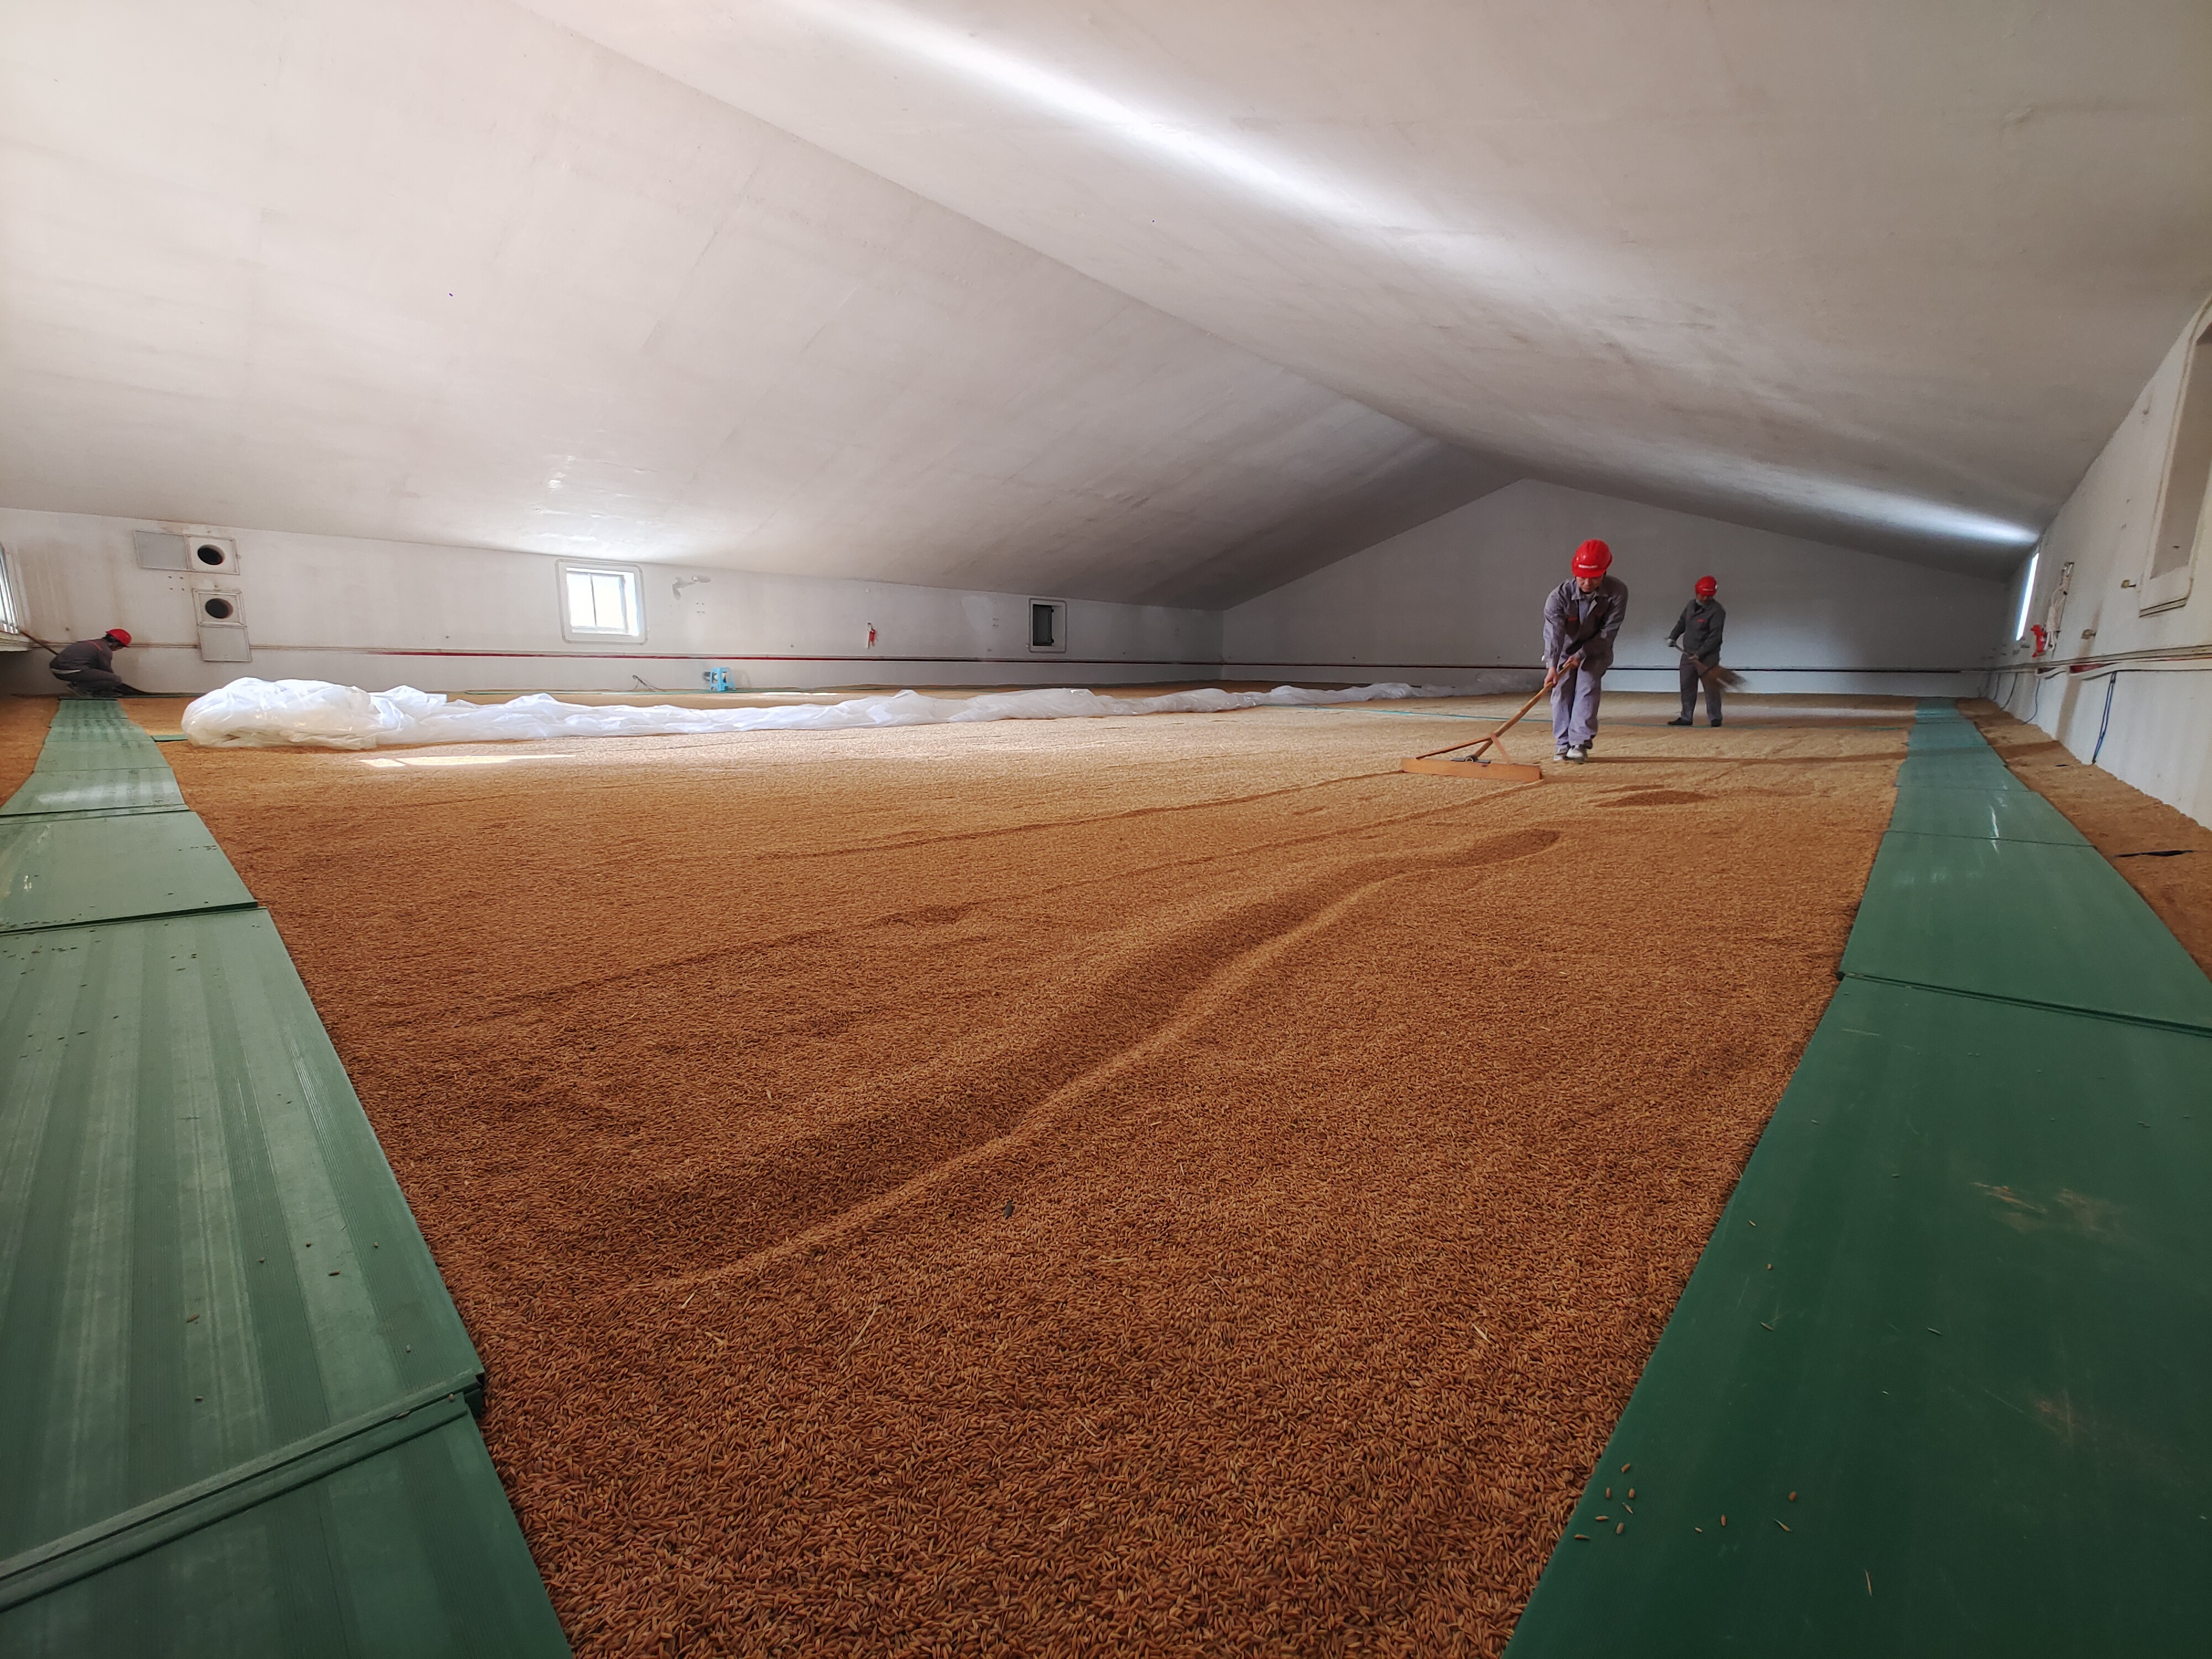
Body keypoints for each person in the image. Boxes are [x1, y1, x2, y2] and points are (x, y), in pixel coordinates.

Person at [1542, 540, 1626, 763]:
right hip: (1564, 650)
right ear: (1574, 572)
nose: (1587, 583)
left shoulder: (1618, 592)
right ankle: (1562, 744)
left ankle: (1579, 743)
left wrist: (1582, 654)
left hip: (1597, 649)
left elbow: (1609, 632)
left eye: (1594, 578)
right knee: (1561, 690)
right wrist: (1552, 666)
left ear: (1604, 572)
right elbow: (1554, 634)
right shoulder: (1558, 597)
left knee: (1587, 685)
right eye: (1582, 577)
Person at [1666, 577, 1726, 727]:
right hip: (1688, 655)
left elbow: (1715, 637)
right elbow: (1682, 623)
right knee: (1687, 686)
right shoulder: (1690, 606)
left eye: (1709, 596)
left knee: (1711, 689)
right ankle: (1686, 718)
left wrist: (1699, 654)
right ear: (1696, 592)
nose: (1705, 598)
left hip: (1708, 658)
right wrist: (1673, 637)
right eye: (1703, 595)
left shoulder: (1717, 611)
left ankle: (1715, 718)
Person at [49, 628, 144, 697]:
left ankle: (80, 686)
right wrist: (115, 686)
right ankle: (79, 688)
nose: (119, 649)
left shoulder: (92, 643)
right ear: (116, 643)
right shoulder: (104, 650)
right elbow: (107, 672)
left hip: (57, 670)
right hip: (69, 671)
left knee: (94, 672)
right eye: (121, 647)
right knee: (116, 680)